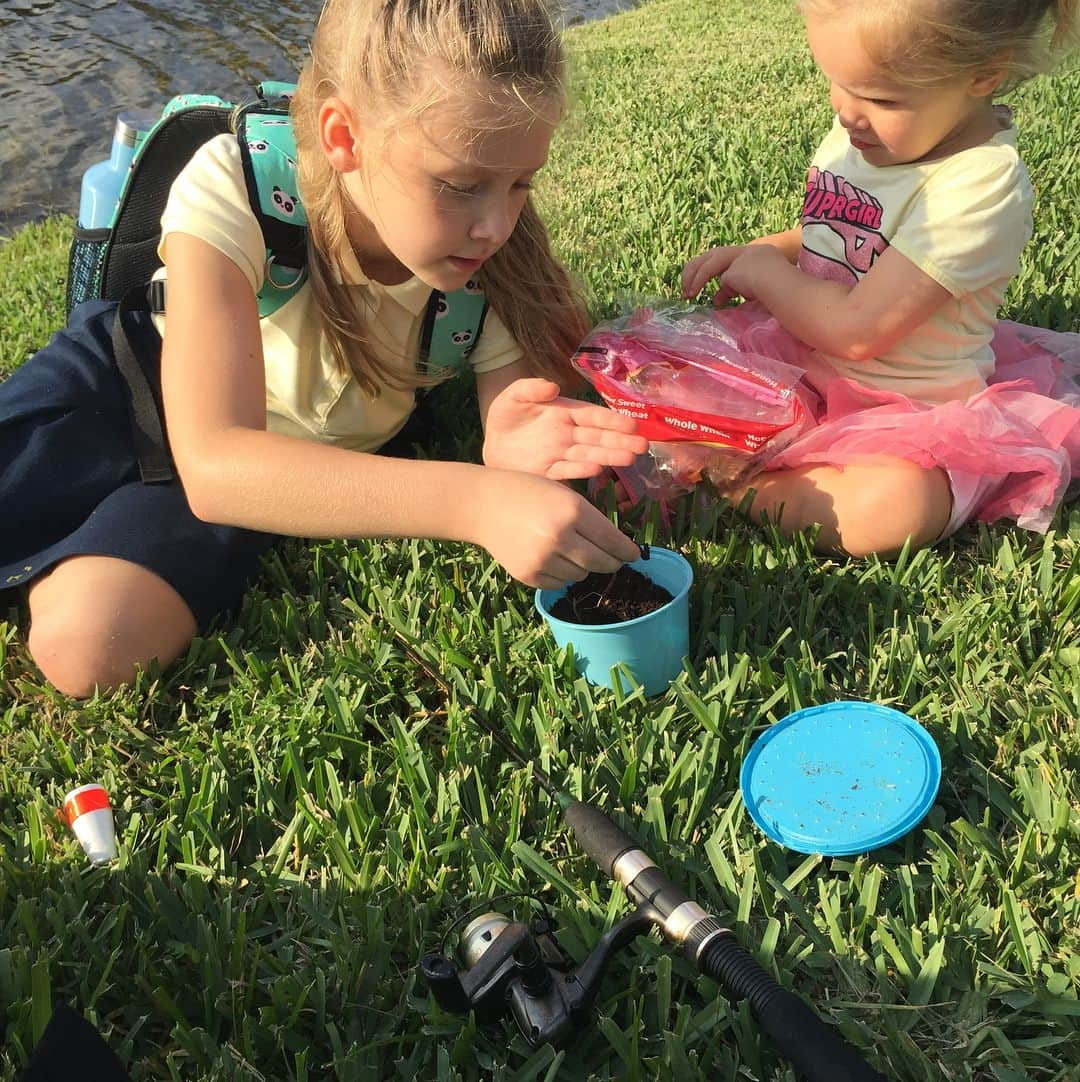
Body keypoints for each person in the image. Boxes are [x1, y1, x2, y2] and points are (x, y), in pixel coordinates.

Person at [0, 0, 649, 698]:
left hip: (276, 470)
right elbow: (215, 454)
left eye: (522, 183)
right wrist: (475, 501)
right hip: (126, 378)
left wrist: (511, 447)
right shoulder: (239, 184)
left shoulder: (494, 268)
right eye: (460, 186)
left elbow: (513, 420)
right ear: (345, 136)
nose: (496, 223)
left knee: (88, 642)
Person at [681, 0, 1080, 557]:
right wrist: (769, 250)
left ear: (983, 74)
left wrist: (768, 273)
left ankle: (739, 484)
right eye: (836, 83)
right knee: (670, 380)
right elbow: (839, 229)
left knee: (889, 509)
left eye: (881, 97)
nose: (847, 112)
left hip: (906, 407)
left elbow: (859, 331)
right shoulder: (874, 133)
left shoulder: (978, 187)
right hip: (801, 358)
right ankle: (730, 448)